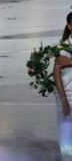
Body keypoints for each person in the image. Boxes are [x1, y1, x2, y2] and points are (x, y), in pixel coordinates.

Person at [53, 12, 72, 160]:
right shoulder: (62, 47)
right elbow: (56, 74)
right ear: (69, 26)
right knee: (67, 136)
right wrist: (63, 99)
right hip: (68, 96)